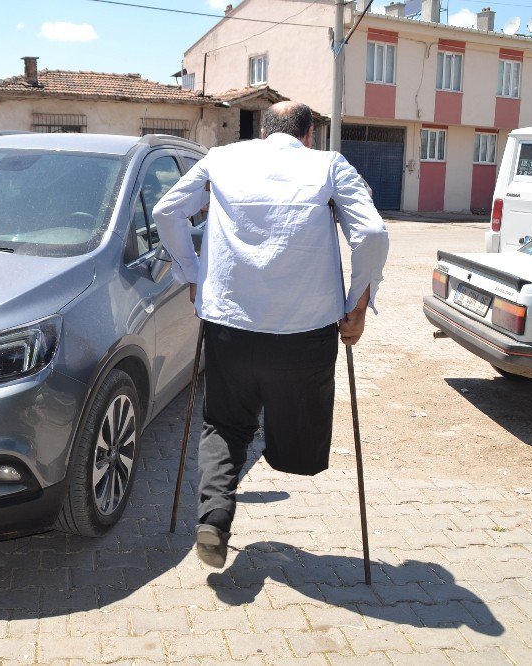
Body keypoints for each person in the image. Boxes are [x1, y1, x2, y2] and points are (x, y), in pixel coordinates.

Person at [152, 101, 389, 568]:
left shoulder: (222, 158)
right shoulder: (327, 165)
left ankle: (214, 516)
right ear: (310, 134)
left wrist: (194, 275)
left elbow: (166, 212)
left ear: (264, 131)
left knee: (225, 423)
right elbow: (373, 234)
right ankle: (289, 456)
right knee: (298, 424)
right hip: (306, 332)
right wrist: (357, 305)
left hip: (230, 327)